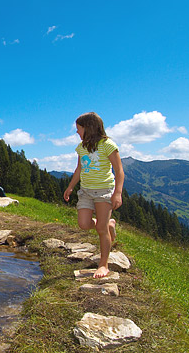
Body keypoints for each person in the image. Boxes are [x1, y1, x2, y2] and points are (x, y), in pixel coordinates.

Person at [63, 112, 124, 279]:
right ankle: (108, 224)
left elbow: (119, 171)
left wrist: (117, 193)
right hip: (86, 191)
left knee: (100, 229)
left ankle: (103, 265)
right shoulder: (81, 147)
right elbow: (79, 169)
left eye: (78, 129)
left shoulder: (107, 144)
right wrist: (70, 187)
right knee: (83, 224)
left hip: (104, 191)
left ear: (88, 128)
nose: (77, 132)